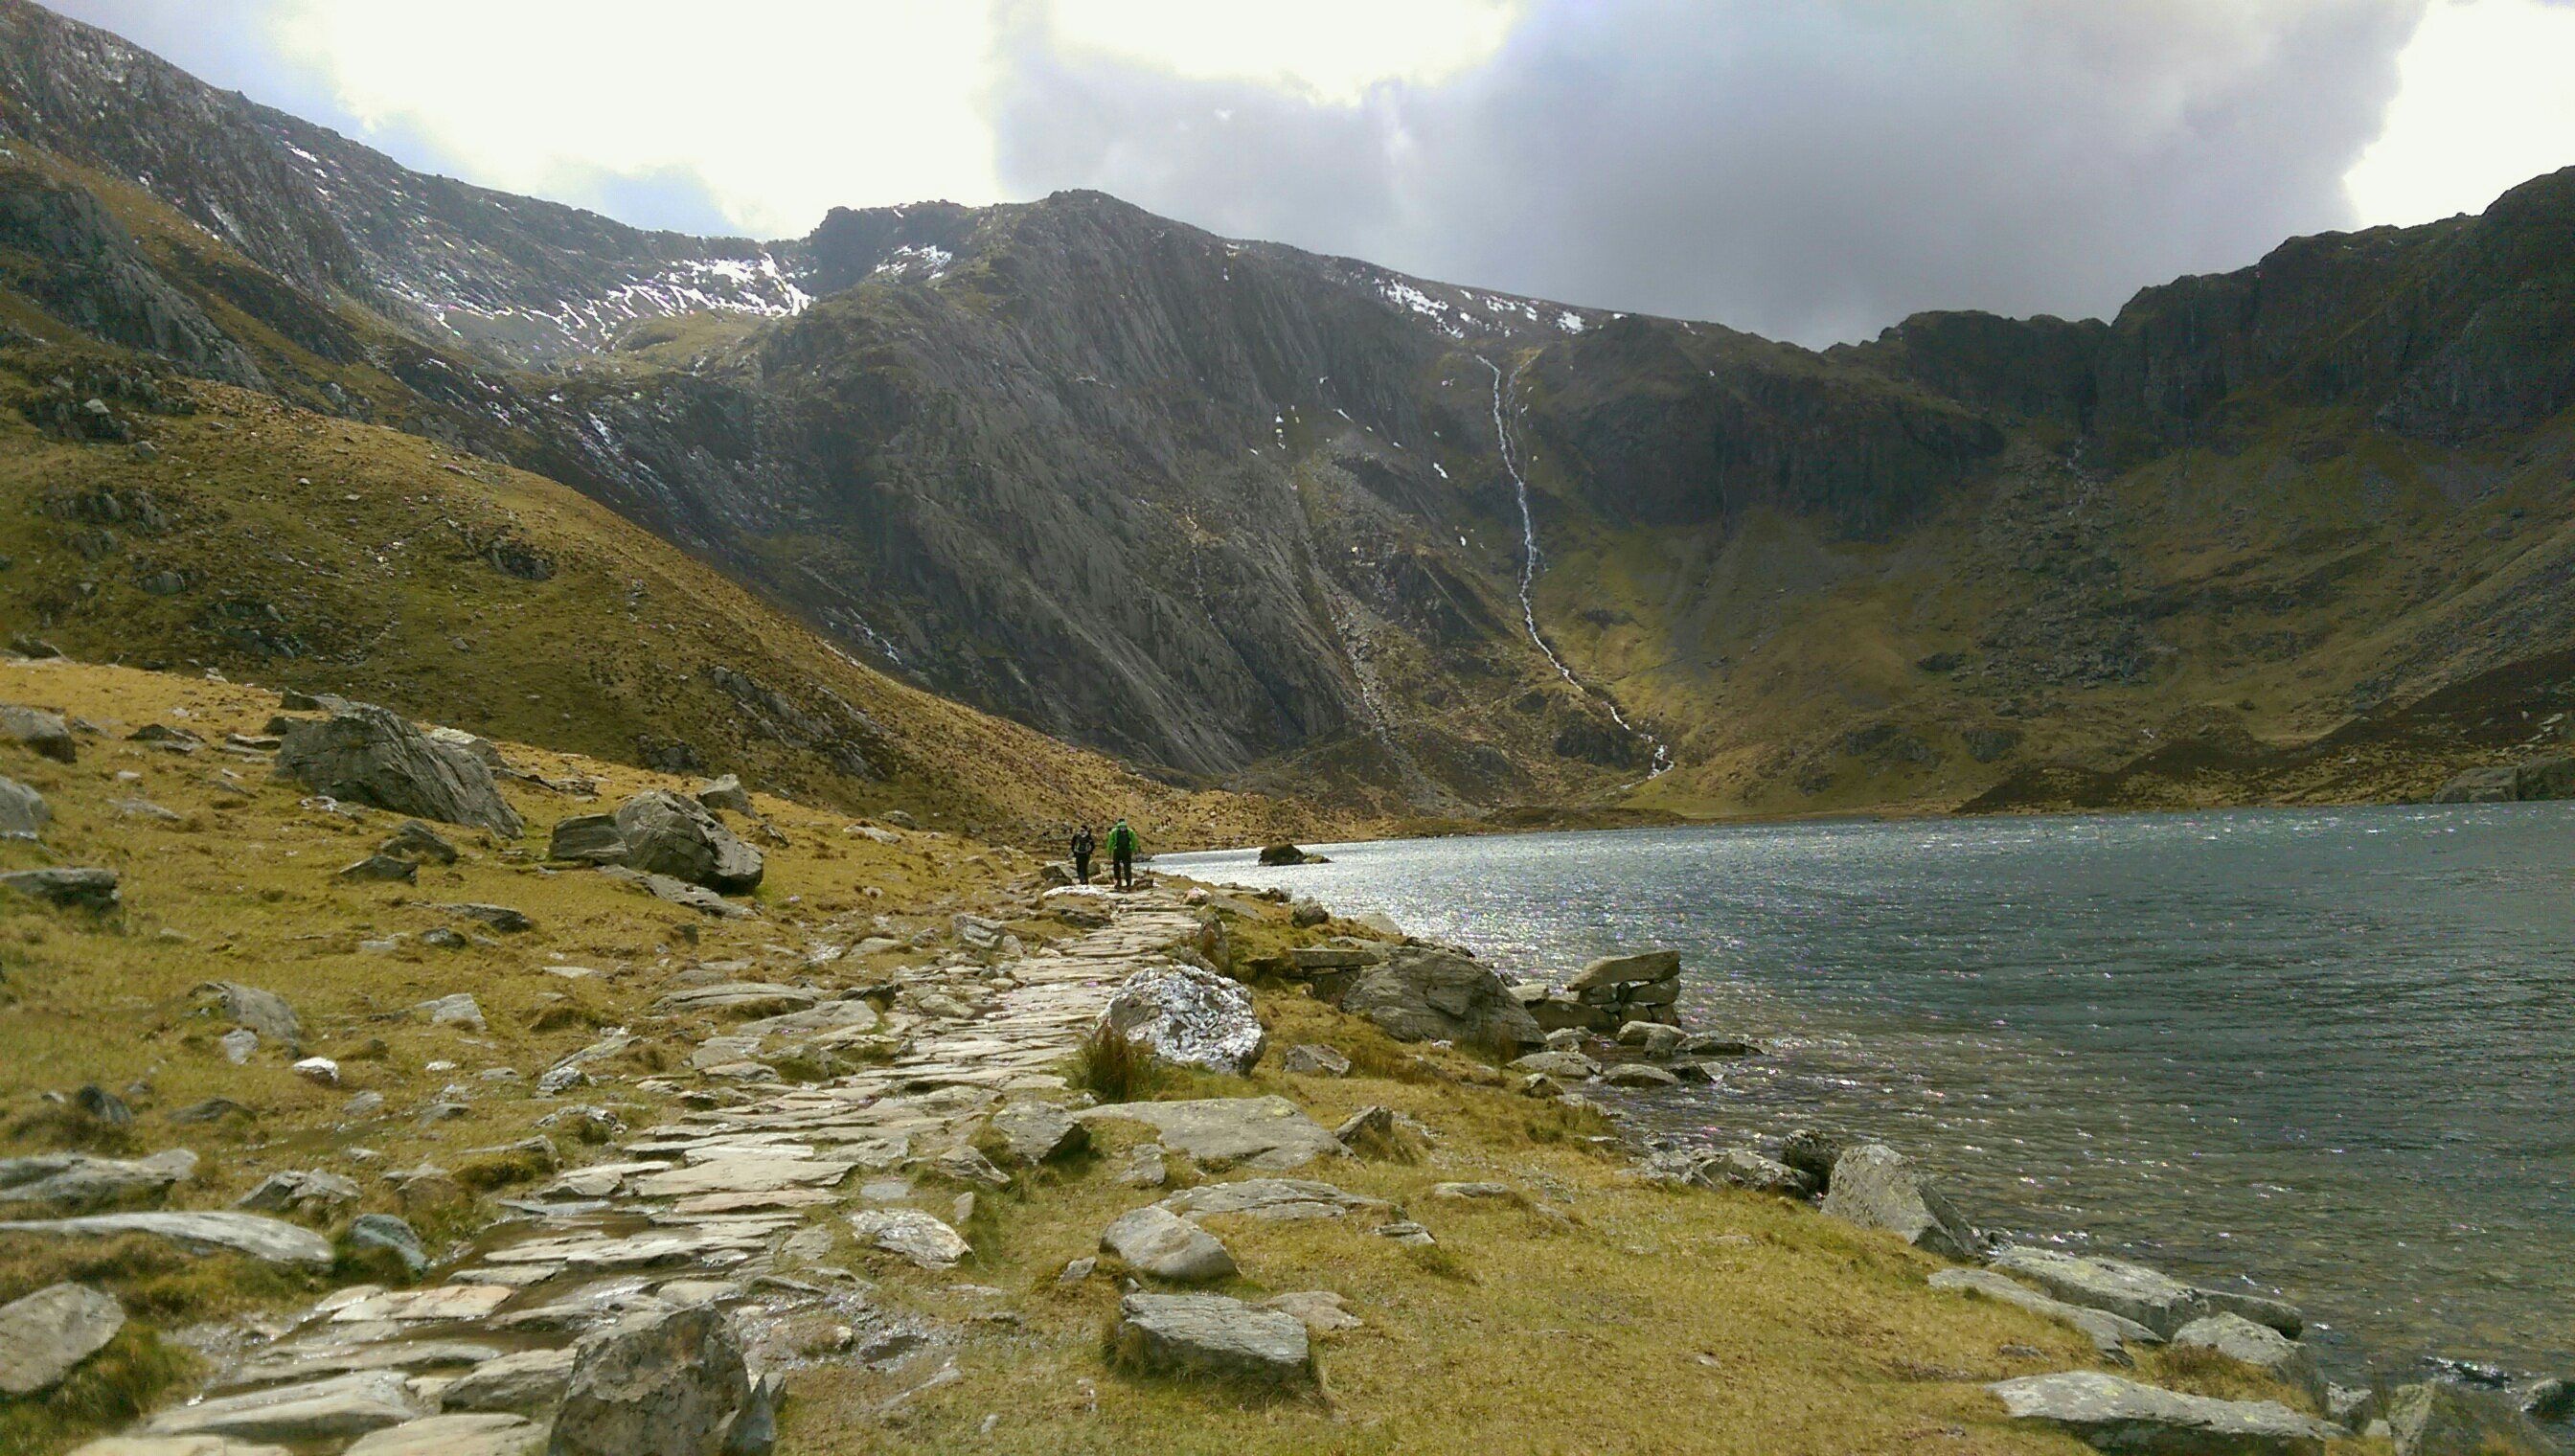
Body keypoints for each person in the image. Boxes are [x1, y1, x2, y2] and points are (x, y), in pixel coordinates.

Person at [1108, 817, 1138, 891]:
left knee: (1116, 867)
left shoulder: (1114, 831)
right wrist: (1133, 849)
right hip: (1127, 851)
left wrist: (1109, 851)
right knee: (1127, 867)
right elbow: (1134, 841)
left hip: (1117, 851)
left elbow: (1110, 842)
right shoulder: (1130, 831)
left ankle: (1118, 882)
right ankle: (1128, 882)